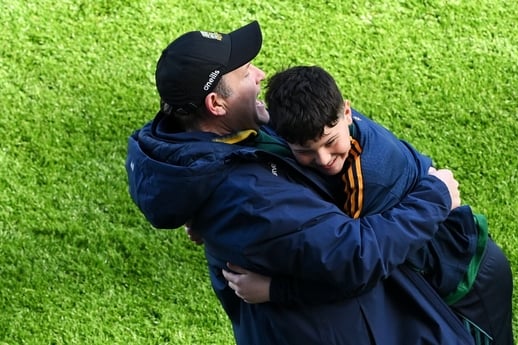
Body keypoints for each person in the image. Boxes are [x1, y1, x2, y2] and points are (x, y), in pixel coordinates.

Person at [126, 21, 477, 345]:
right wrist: (436, 194)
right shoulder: (249, 196)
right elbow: (354, 256)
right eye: (247, 73)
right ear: (216, 104)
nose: (260, 75)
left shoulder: (211, 144)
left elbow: (326, 129)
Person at [223, 65, 514, 344]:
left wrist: (274, 289)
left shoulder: (366, 179)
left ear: (346, 112)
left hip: (468, 280)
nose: (323, 160)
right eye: (305, 151)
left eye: (329, 142)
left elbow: (353, 268)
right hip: (436, 270)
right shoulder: (326, 116)